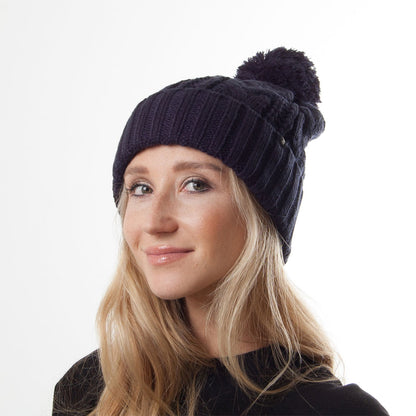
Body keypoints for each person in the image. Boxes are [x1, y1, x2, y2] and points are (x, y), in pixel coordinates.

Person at [53, 47, 389, 415]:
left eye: (195, 184)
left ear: (261, 211)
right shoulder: (89, 391)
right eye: (141, 188)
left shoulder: (333, 410)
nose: (154, 222)